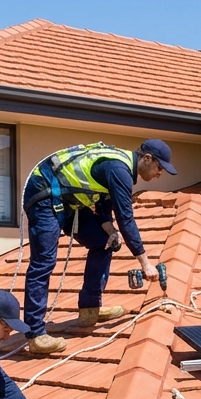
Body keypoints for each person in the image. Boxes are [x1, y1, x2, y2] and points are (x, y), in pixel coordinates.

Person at [20, 139, 176, 355]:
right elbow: (126, 219)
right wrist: (145, 263)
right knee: (44, 262)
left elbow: (103, 203)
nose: (160, 174)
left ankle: (90, 309)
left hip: (69, 199)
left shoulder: (120, 169)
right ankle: (35, 335)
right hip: (44, 193)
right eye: (160, 167)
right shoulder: (119, 170)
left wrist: (110, 231)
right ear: (147, 158)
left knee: (103, 242)